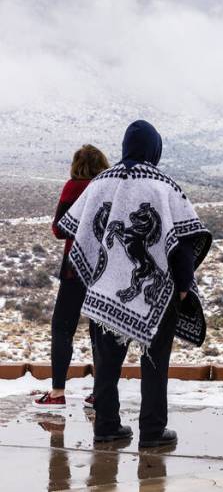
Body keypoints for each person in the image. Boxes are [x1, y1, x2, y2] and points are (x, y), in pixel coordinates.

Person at [57, 120, 212, 447]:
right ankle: (153, 431)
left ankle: (107, 427)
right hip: (156, 290)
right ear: (154, 148)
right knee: (155, 362)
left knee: (106, 362)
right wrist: (183, 285)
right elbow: (183, 240)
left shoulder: (99, 182)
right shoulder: (163, 185)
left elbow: (78, 229)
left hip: (102, 288)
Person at [33, 145, 110, 409]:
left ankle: (57, 392)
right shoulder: (109, 187)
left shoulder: (73, 187)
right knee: (98, 330)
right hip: (103, 268)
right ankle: (100, 393)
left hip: (74, 267)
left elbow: (58, 228)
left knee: (62, 328)